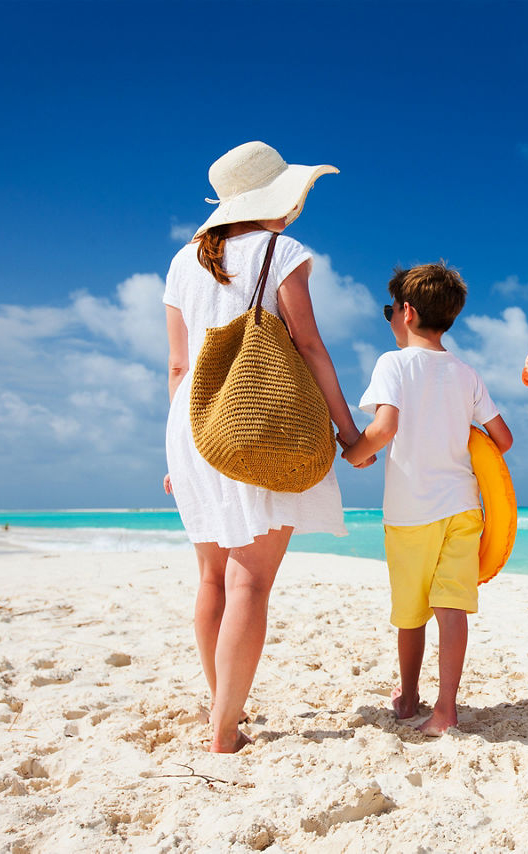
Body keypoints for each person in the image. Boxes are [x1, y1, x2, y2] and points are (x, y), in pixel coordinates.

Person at [163, 141, 367, 753]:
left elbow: (178, 367)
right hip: (255, 420)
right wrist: (348, 433)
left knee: (212, 579)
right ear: (276, 197)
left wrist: (175, 452)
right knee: (250, 582)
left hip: (193, 424)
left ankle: (223, 709)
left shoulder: (181, 262)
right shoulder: (283, 252)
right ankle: (225, 733)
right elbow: (307, 346)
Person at [342, 263, 513, 736]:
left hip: (410, 511)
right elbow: (502, 439)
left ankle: (409, 697)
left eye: (389, 310)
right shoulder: (466, 373)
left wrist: (354, 453)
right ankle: (446, 710)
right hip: (463, 509)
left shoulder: (392, 364)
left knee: (411, 613)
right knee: (451, 608)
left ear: (407, 312)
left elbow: (384, 428)